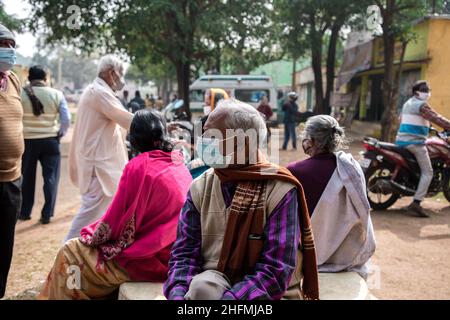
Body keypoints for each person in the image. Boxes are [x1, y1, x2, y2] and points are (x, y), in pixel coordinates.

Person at [164, 99, 319, 300]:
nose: (202, 140)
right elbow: (184, 255)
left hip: (270, 296)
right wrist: (177, 296)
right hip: (209, 287)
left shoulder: (280, 190)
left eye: (211, 135)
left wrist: (231, 302)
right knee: (203, 288)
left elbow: (275, 270)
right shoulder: (200, 186)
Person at [39, 110, 192, 299]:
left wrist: (91, 235)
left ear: (134, 138)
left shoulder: (138, 167)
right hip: (174, 255)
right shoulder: (177, 162)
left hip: (146, 260)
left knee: (69, 252)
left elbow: (115, 222)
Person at [287, 115, 376, 279]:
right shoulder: (352, 168)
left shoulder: (295, 171)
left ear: (312, 140)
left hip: (307, 254)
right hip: (346, 254)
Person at [66, 55, 133, 242]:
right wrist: (156, 124)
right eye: (121, 73)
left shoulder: (100, 91)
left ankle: (85, 258)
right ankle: (66, 256)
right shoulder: (98, 93)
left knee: (100, 215)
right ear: (112, 73)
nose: (122, 79)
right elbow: (125, 118)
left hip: (101, 165)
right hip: (98, 168)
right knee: (87, 216)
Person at [18, 66, 71, 224]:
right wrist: (59, 134)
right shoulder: (56, 94)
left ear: (29, 78)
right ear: (45, 78)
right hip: (50, 141)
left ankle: (25, 212)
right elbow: (66, 119)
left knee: (27, 177)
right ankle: (46, 214)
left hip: (27, 141)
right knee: (50, 178)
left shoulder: (19, 94)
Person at [396, 80, 450, 217]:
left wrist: (427, 127)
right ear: (416, 92)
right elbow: (437, 118)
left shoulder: (407, 104)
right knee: (428, 172)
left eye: (428, 90)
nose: (427, 92)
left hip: (401, 141)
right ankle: (416, 203)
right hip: (415, 143)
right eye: (424, 90)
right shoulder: (422, 105)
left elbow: (402, 120)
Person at [0, 23, 23, 299]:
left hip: (12, 179)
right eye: (3, 45)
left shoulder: (13, 80)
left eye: (11, 46)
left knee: (5, 242)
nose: (9, 51)